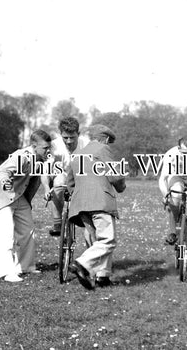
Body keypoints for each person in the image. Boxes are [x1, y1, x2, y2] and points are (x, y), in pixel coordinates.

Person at [0, 130, 52, 282]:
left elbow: (43, 173)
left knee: (28, 231)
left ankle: (25, 267)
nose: (48, 150)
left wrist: (46, 189)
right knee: (6, 234)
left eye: (48, 147)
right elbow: (2, 173)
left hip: (18, 196)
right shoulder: (21, 156)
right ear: (34, 146)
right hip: (3, 195)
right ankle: (6, 273)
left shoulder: (40, 158)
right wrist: (7, 185)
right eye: (45, 148)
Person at [67, 124, 126, 290]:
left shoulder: (77, 154)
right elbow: (115, 176)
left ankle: (103, 276)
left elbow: (69, 182)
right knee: (108, 240)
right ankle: (82, 263)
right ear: (105, 139)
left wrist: (77, 195)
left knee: (97, 239)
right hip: (100, 201)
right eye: (109, 142)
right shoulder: (103, 150)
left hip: (80, 204)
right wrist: (121, 187)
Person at [41, 117, 89, 236]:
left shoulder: (86, 145)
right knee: (58, 182)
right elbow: (45, 171)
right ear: (60, 134)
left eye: (72, 138)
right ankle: (57, 222)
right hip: (61, 174)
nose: (68, 141)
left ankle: (81, 215)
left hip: (79, 175)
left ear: (78, 134)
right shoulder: (54, 146)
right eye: (65, 138)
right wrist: (47, 189)